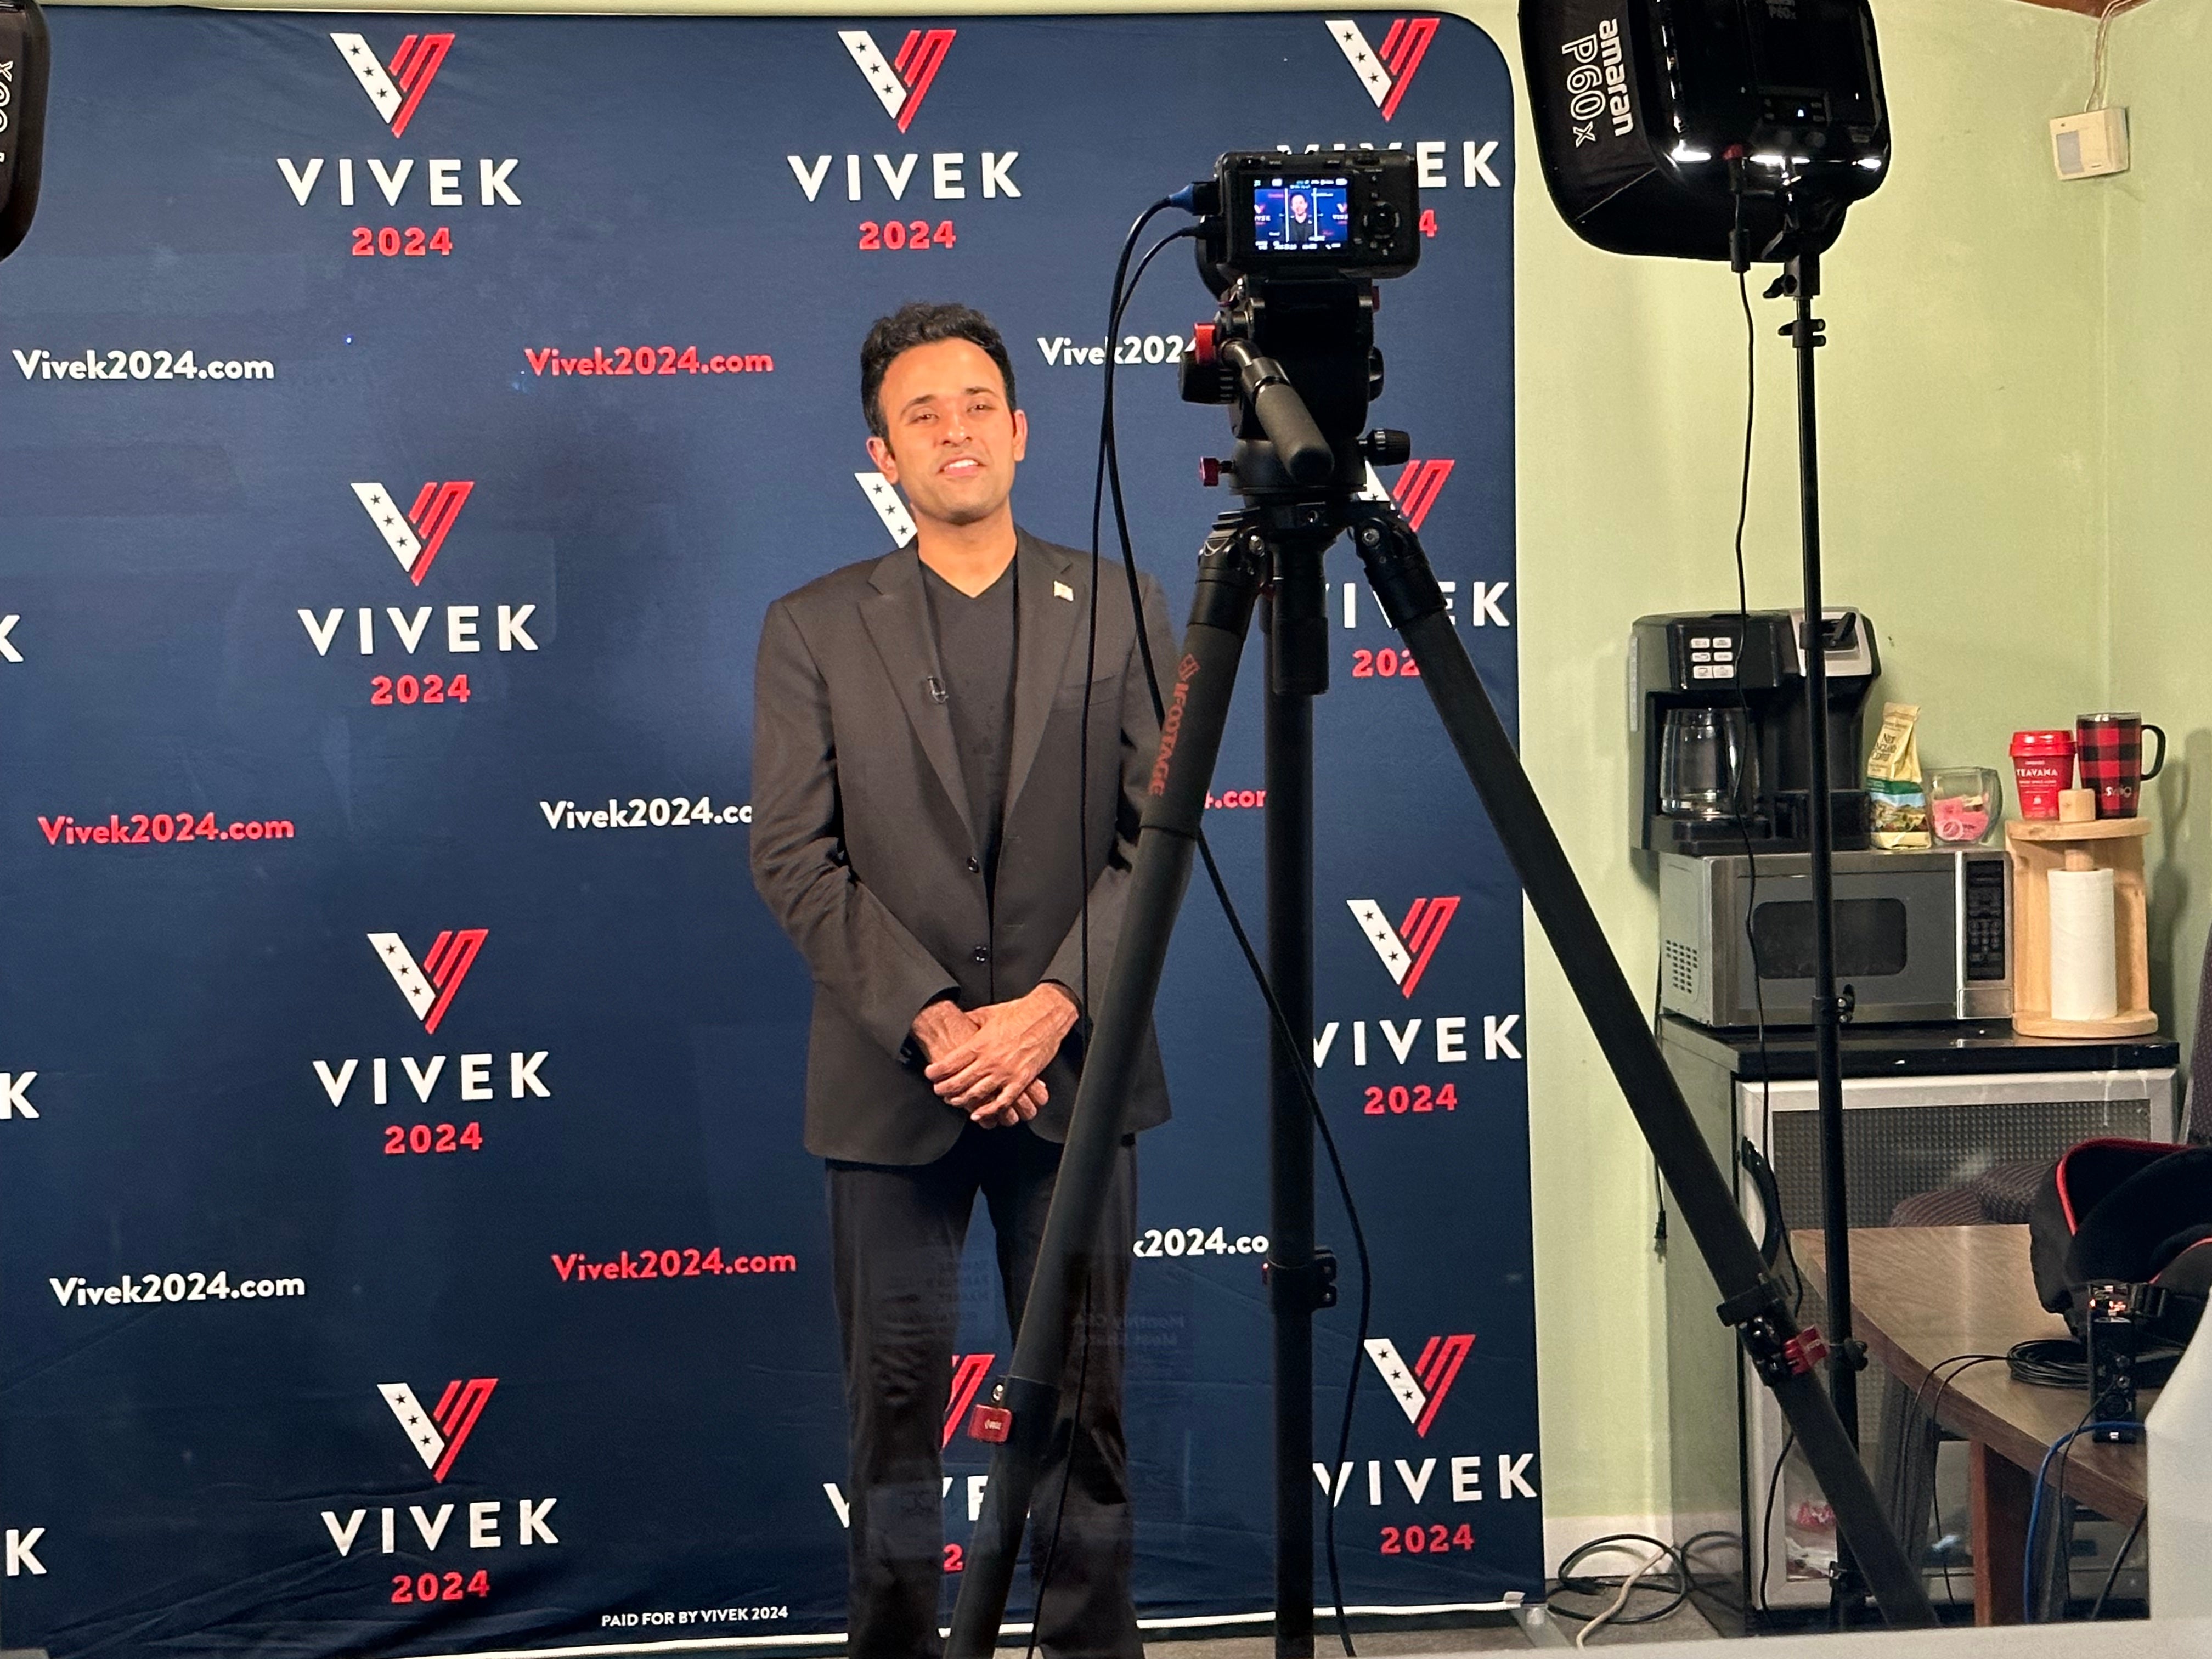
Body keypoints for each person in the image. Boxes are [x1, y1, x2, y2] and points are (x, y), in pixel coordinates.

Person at [751, 301, 1176, 1659]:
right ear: (882, 452)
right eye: (923, 413)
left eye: (978, 404)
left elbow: (1157, 843)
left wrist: (1051, 1012)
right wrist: (940, 1025)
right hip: (895, 1088)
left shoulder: (1125, 603)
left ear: (1022, 432)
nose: (956, 431)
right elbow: (795, 857)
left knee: (1087, 1406)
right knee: (893, 1418)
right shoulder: (812, 627)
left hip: (1078, 1073)